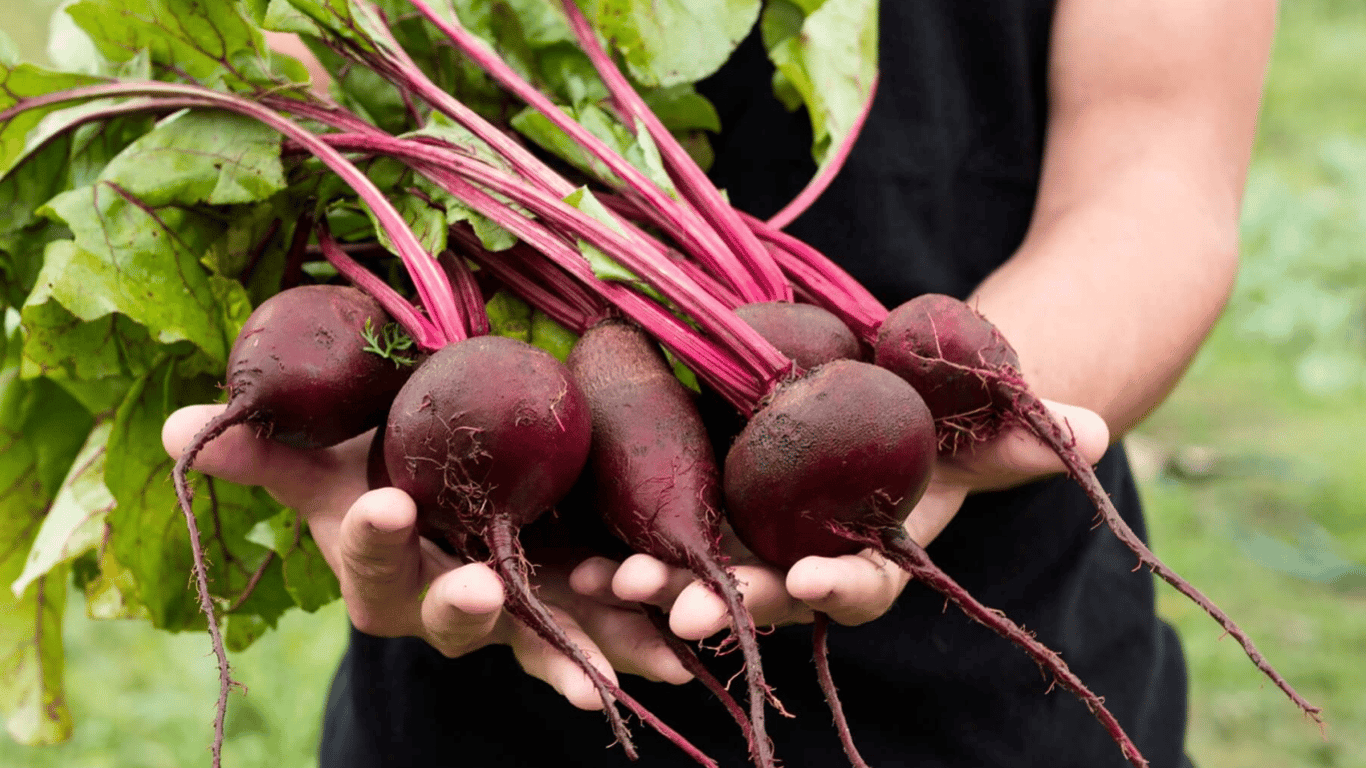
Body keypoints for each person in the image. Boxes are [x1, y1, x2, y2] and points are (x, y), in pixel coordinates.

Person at [163, 0, 1276, 765]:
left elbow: (1158, 164)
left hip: (999, 669)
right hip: (513, 630)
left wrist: (964, 424)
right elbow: (307, 59)